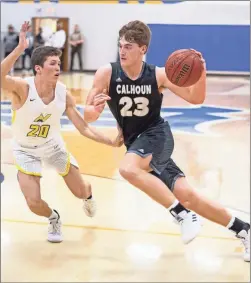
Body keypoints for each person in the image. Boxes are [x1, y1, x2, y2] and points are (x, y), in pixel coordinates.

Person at [83, 20, 250, 262]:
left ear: (143, 49)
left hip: (156, 137)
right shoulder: (106, 73)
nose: (122, 51)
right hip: (136, 145)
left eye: (128, 46)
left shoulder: (159, 74)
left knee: (127, 169)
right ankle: (243, 228)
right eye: (120, 45)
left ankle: (183, 215)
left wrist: (201, 73)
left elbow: (195, 99)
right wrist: (94, 109)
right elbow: (88, 114)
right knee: (188, 195)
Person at [1, 22, 123, 243]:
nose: (58, 67)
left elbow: (83, 127)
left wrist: (111, 141)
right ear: (38, 68)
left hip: (53, 147)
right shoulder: (23, 88)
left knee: (81, 191)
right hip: (25, 150)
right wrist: (19, 49)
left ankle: (88, 196)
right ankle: (54, 217)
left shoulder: (63, 93)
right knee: (33, 202)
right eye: (52, 63)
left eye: (59, 63)